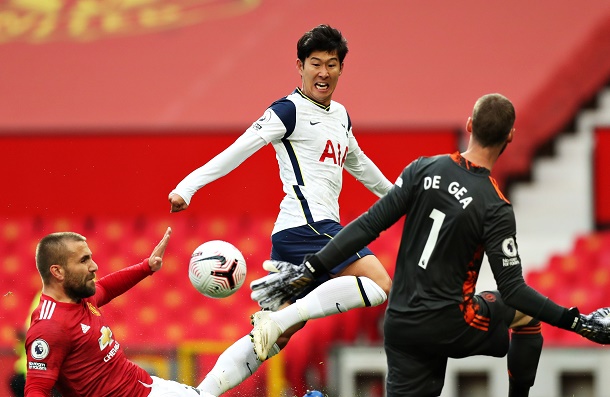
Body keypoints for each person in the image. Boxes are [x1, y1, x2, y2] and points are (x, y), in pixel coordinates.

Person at [249, 93, 610, 397]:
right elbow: (513, 291)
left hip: (402, 324)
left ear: (470, 124)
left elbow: (367, 225)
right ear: (511, 136)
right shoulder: (494, 206)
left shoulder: (423, 169)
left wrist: (308, 270)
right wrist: (578, 323)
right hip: (451, 323)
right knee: (526, 316)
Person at [169, 24, 393, 395]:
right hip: (309, 228)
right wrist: (187, 187)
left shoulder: (340, 115)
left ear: (340, 69)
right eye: (315, 64)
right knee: (379, 282)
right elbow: (241, 147)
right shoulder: (287, 110)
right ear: (300, 66)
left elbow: (360, 165)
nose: (323, 73)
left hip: (300, 234)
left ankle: (201, 393)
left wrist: (405, 200)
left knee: (275, 338)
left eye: (332, 64)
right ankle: (279, 319)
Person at [24, 228, 215, 397]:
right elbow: (36, 388)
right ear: (57, 272)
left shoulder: (80, 296)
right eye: (84, 260)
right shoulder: (49, 326)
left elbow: (106, 288)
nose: (94, 266)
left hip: (147, 386)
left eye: (90, 257)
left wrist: (146, 267)